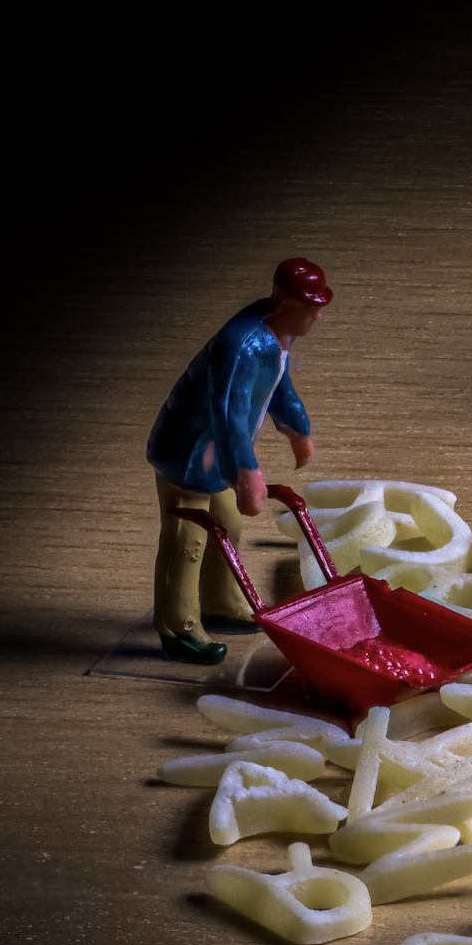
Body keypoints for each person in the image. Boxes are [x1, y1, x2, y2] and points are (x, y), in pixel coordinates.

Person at [146, 258, 329, 664]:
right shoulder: (242, 344)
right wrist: (246, 473)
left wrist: (297, 429)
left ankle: (222, 605)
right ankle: (178, 627)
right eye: (310, 307)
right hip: (190, 454)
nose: (317, 316)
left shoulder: (277, 333)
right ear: (285, 305)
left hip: (218, 457)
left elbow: (278, 382)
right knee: (188, 539)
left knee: (226, 525)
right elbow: (227, 411)